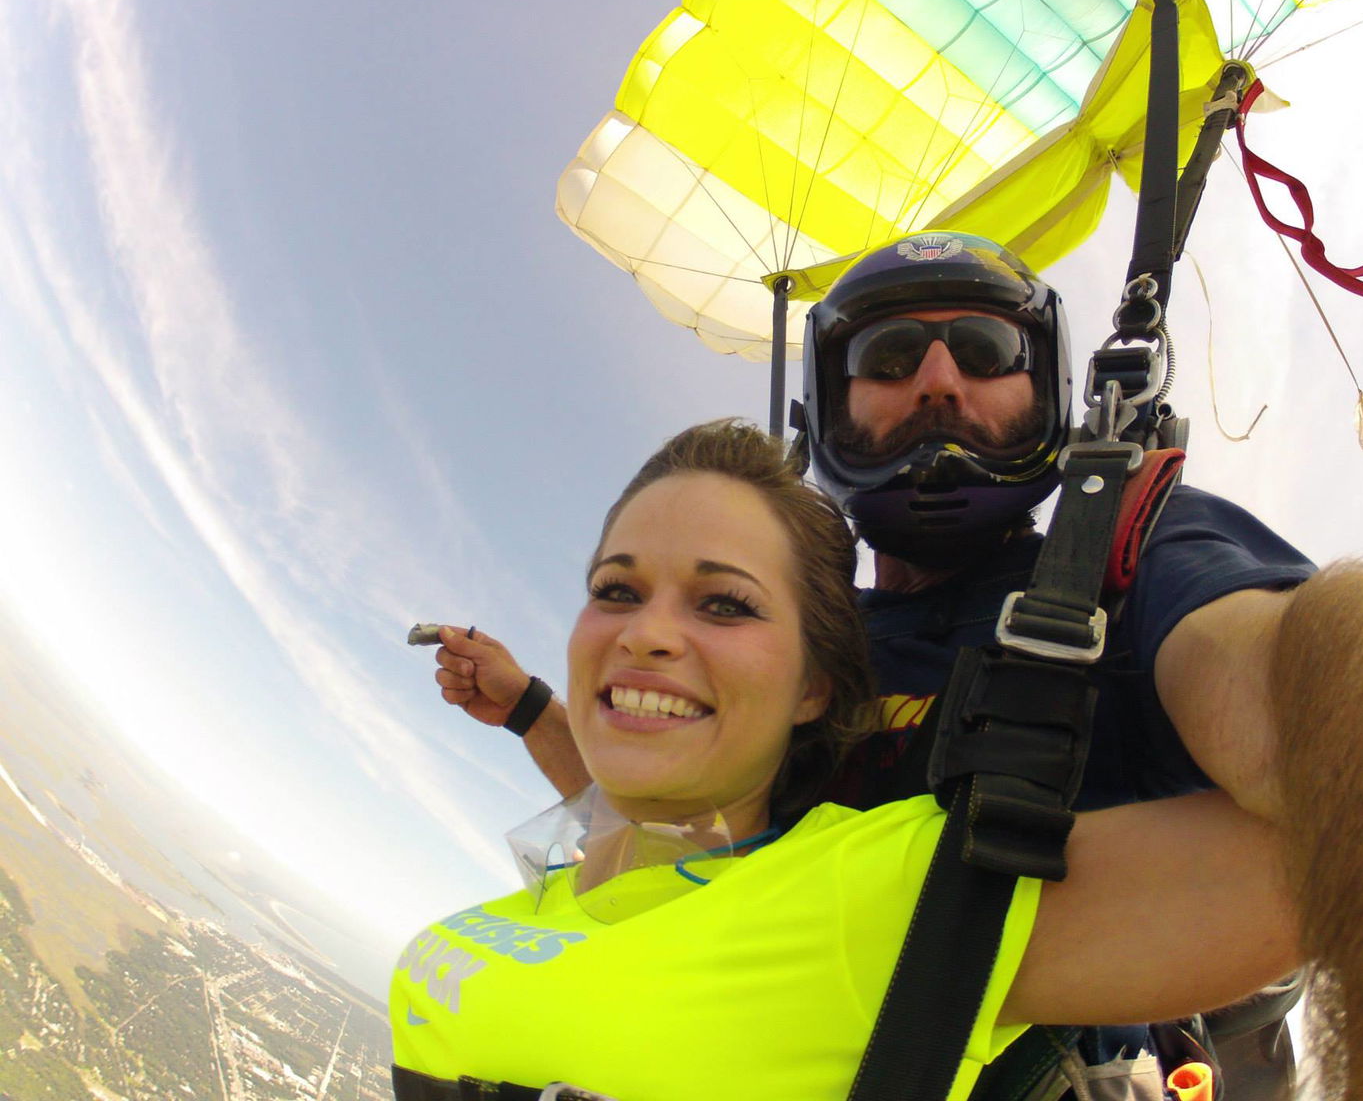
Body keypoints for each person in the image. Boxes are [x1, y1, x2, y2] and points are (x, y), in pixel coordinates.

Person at [433, 232, 1314, 1096]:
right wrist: (529, 709)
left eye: (986, 350)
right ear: (828, 405)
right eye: (887, 358)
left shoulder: (1135, 574)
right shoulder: (788, 646)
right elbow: (670, 824)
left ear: (1050, 388)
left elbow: (1318, 738)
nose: (938, 380)